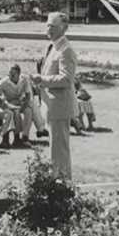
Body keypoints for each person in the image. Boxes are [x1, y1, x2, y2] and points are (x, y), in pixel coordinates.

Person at [32, 12, 77, 179]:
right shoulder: (53, 47)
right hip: (51, 106)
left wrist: (42, 80)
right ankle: (56, 181)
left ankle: (63, 184)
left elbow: (66, 79)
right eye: (48, 25)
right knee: (55, 148)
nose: (48, 29)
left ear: (64, 28)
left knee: (59, 149)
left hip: (60, 107)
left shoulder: (66, 50)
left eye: (53, 26)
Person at [0, 64, 43, 145]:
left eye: (13, 74)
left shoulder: (24, 80)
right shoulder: (3, 82)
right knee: (16, 112)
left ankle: (25, 136)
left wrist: (23, 106)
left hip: (20, 102)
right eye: (10, 73)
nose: (11, 76)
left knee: (28, 111)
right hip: (9, 103)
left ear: (19, 74)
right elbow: (1, 98)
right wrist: (12, 106)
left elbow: (28, 95)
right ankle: (16, 138)